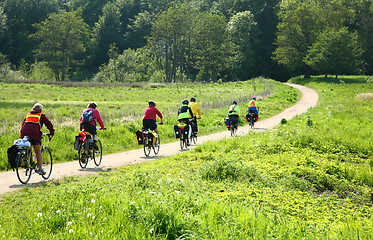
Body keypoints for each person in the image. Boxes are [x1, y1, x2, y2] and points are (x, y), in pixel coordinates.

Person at [20, 103, 54, 175]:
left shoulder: (28, 115)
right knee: (38, 152)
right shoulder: (41, 116)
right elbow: (49, 124)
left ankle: (26, 159)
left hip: (24, 134)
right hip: (35, 135)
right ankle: (40, 168)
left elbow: (23, 125)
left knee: (28, 147)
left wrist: (22, 136)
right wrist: (51, 133)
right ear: (41, 110)